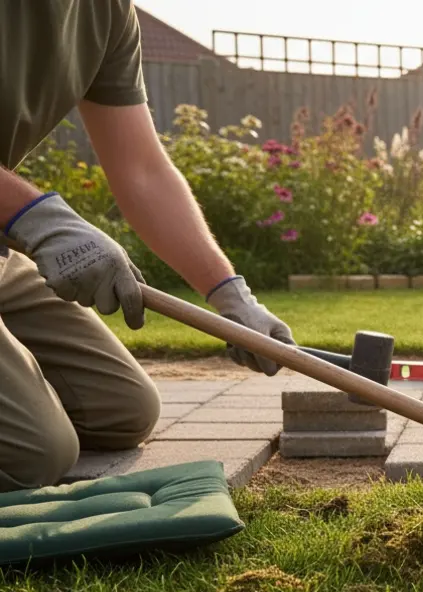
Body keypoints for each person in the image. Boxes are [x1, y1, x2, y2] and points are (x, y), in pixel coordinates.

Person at [1, 1, 295, 492]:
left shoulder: (106, 11)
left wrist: (229, 295)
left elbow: (141, 169)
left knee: (121, 410)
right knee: (34, 452)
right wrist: (38, 218)